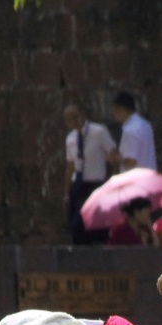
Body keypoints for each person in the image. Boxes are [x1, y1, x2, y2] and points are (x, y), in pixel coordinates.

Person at [63, 103, 117, 245]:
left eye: (76, 117)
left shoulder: (99, 132)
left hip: (95, 182)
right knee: (74, 221)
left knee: (88, 222)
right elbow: (70, 165)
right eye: (69, 119)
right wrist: (66, 191)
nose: (74, 121)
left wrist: (110, 181)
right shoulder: (70, 139)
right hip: (78, 184)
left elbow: (112, 156)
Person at [111, 91, 157, 172]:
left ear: (122, 110)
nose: (114, 114)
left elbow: (131, 162)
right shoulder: (145, 125)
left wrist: (116, 159)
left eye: (115, 110)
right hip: (150, 176)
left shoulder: (129, 130)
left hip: (135, 180)